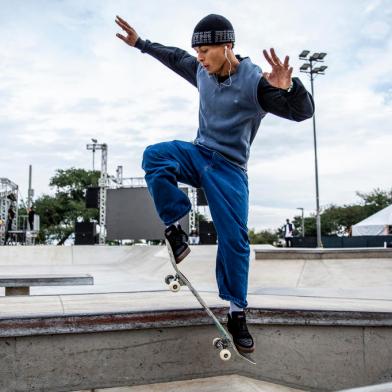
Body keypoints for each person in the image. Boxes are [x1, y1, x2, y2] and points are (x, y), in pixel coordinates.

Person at [116, 14, 314, 353]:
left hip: (230, 170)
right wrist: (142, 44)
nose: (201, 59)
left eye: (206, 51)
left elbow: (302, 113)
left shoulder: (256, 84)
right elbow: (175, 56)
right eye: (198, 52)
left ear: (227, 47)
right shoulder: (200, 71)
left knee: (235, 240)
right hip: (199, 154)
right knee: (155, 156)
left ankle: (237, 312)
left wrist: (292, 87)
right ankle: (174, 227)